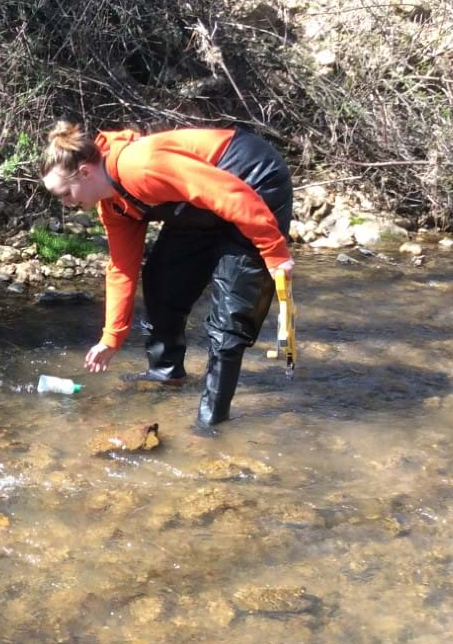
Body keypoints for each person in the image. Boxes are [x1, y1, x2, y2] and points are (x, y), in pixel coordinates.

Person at [40, 121, 295, 427]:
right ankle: (165, 375)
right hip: (205, 204)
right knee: (162, 281)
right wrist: (111, 338)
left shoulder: (141, 166)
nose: (67, 204)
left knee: (231, 315)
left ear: (85, 172)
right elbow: (122, 270)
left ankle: (213, 423)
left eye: (65, 194)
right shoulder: (113, 207)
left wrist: (274, 251)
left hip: (251, 180)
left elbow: (228, 194)